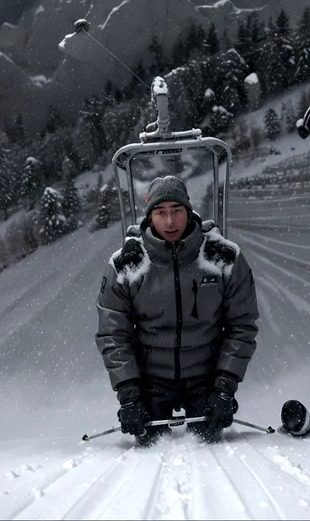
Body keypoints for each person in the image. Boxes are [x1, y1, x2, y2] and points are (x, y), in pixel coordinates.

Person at [96, 175, 259, 445]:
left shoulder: (223, 257)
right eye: (161, 212)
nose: (169, 221)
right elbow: (113, 334)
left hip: (206, 379)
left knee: (208, 442)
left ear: (189, 211)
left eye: (176, 211)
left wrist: (225, 387)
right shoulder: (126, 264)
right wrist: (129, 394)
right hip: (151, 381)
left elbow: (242, 325)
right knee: (148, 444)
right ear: (150, 216)